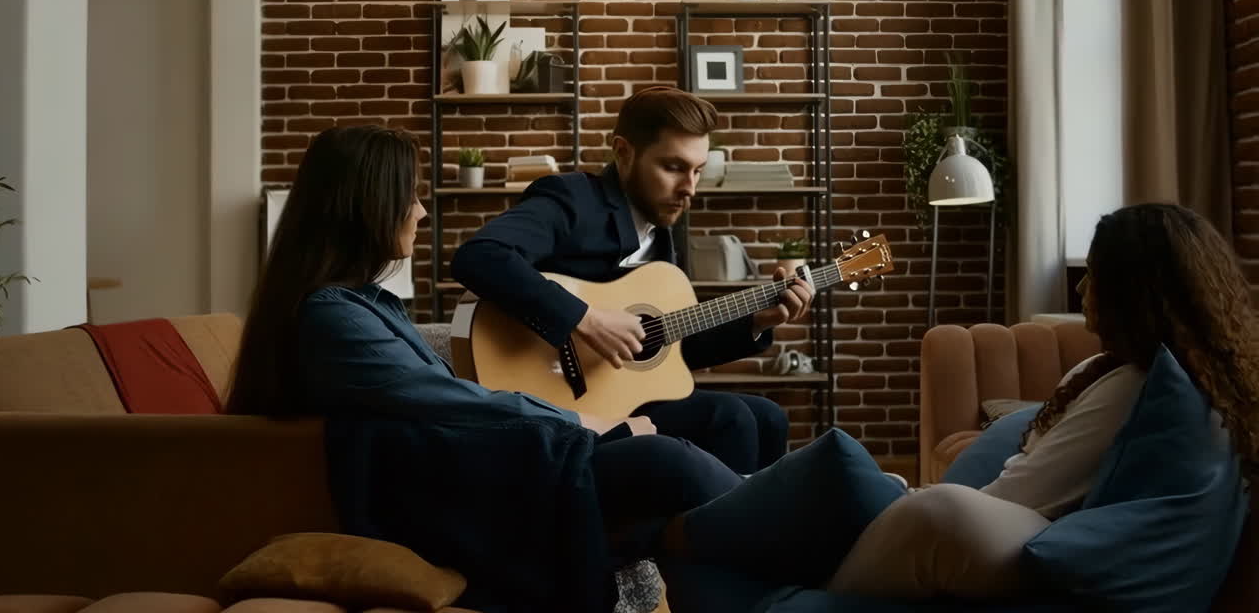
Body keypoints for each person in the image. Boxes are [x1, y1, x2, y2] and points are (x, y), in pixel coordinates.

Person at [225, 125, 746, 610]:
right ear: (366, 206)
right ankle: (778, 521)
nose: (421, 212)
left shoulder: (364, 304)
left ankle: (764, 556)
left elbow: (441, 397)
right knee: (667, 459)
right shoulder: (331, 314)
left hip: (466, 464)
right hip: (449, 492)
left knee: (702, 451)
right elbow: (448, 401)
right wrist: (590, 424)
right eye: (409, 196)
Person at [652, 202, 1259, 611]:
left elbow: (1020, 496)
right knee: (790, 474)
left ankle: (672, 538)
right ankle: (685, 532)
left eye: (1094, 276)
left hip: (974, 533)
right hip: (957, 524)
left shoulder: (1130, 389)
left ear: (1134, 294)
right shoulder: (1113, 372)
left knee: (715, 468)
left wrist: (907, 503)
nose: (1080, 289)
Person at [450, 86, 813, 474]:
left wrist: (757, 322)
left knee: (769, 416)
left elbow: (667, 350)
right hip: (555, 404)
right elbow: (480, 255)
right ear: (623, 152)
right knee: (730, 417)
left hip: (620, 396)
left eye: (697, 171)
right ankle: (721, 517)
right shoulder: (573, 199)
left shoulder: (661, 236)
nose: (689, 188)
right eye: (673, 167)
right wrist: (585, 319)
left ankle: (764, 513)